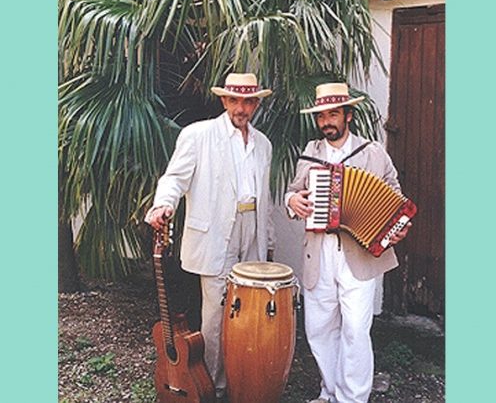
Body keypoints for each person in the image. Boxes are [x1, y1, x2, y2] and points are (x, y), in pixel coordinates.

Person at [145, 73, 276, 401]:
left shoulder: (263, 144)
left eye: (248, 101)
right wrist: (163, 204)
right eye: (234, 100)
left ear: (256, 103)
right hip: (217, 233)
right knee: (216, 315)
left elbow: (266, 197)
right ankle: (213, 387)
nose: (241, 108)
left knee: (248, 315)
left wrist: (268, 241)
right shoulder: (198, 135)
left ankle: (242, 381)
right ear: (223, 100)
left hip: (252, 229)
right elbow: (175, 178)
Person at [285, 83, 411, 403]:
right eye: (321, 115)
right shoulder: (309, 154)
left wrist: (398, 226)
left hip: (359, 253)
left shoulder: (372, 152)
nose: (327, 121)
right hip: (319, 251)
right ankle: (329, 391)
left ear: (348, 115)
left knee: (355, 329)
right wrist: (292, 202)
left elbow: (395, 195)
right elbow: (293, 192)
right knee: (319, 327)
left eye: (333, 114)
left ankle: (352, 398)